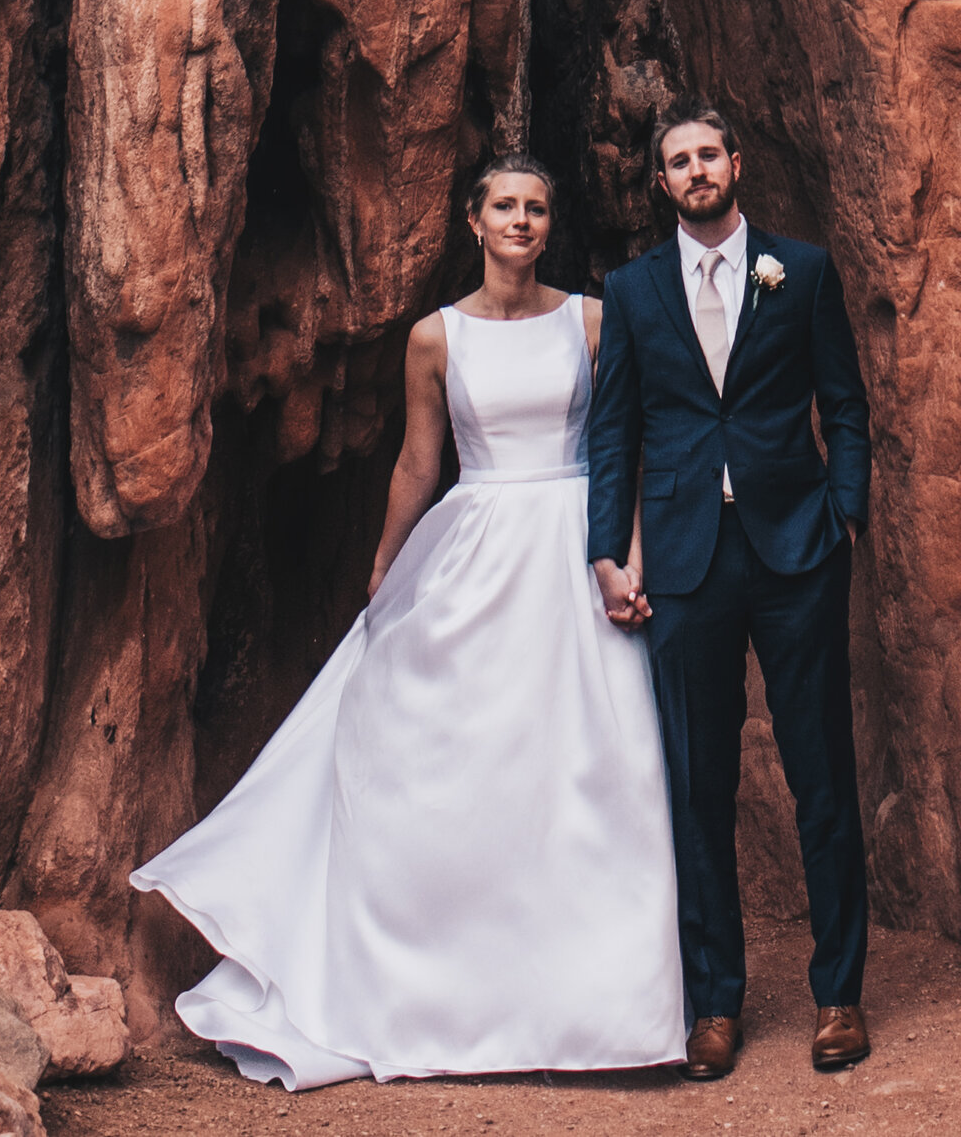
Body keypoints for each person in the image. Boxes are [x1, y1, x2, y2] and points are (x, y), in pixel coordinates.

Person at [133, 156, 686, 1086]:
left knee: (596, 769)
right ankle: (427, 992)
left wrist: (628, 555)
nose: (522, 219)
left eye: (537, 207)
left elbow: (622, 447)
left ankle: (603, 1015)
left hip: (572, 548)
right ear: (474, 221)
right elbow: (416, 465)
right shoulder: (434, 337)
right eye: (505, 205)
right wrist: (388, 563)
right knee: (448, 764)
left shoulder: (592, 319)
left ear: (550, 224)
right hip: (476, 543)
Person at [588, 105, 874, 1081]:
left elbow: (845, 402)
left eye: (708, 152)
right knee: (696, 784)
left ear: (734, 163)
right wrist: (605, 551)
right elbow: (614, 431)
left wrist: (845, 511)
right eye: (678, 160)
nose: (696, 169)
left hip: (797, 552)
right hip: (684, 562)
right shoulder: (629, 291)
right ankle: (715, 1002)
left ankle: (839, 992)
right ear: (661, 182)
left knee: (822, 778)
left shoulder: (801, 268)